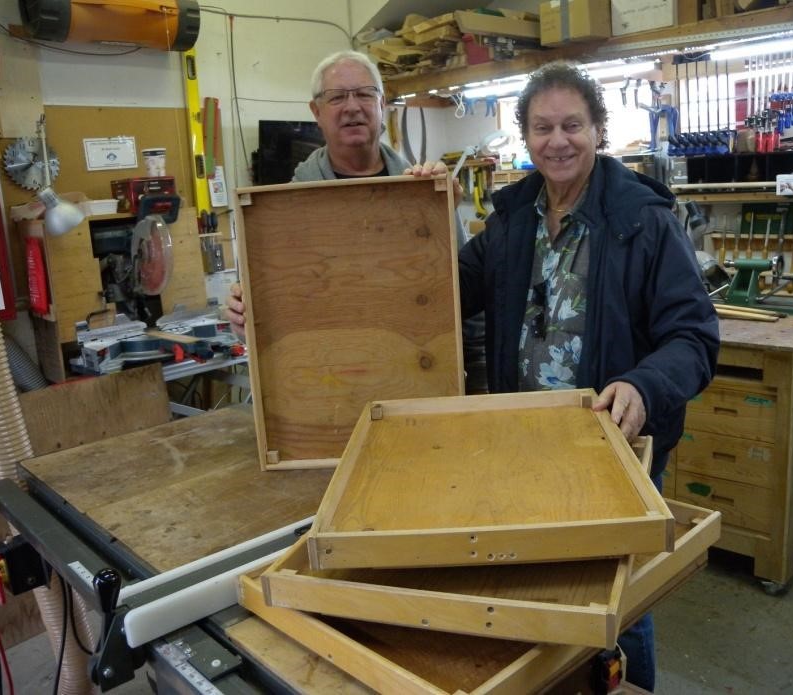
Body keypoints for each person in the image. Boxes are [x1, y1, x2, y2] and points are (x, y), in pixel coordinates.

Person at [457, 60, 719, 690]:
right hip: (525, 445)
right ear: (525, 137)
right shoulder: (511, 221)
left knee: (617, 609)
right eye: (542, 127)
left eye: (572, 124)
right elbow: (438, 295)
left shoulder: (643, 219)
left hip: (614, 445)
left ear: (598, 129)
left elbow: (693, 336)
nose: (558, 140)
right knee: (539, 592)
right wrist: (405, 208)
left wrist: (643, 385)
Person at [225, 49, 485, 390]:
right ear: (316, 112)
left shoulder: (423, 198)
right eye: (337, 97)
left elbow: (467, 302)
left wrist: (479, 381)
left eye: (364, 94)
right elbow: (265, 311)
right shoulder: (285, 213)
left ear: (383, 105)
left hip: (419, 383)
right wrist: (245, 316)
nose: (352, 107)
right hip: (326, 389)